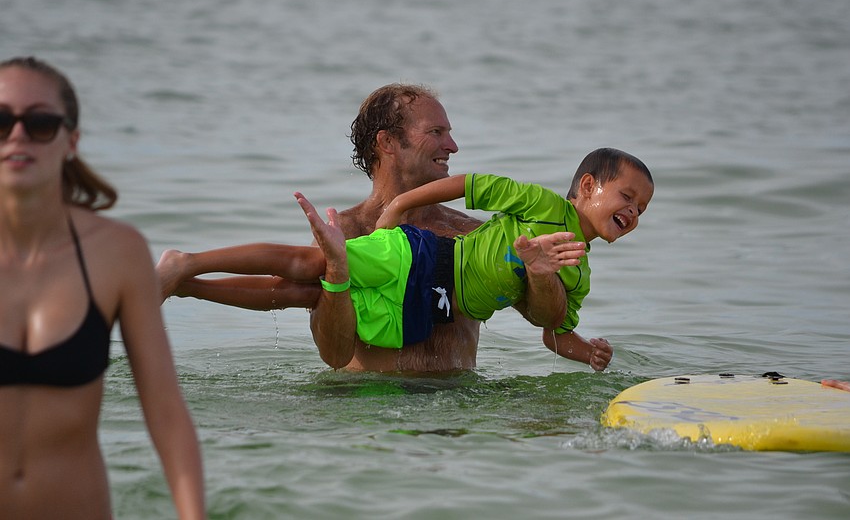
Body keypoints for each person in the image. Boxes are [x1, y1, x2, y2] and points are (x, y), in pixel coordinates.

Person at [158, 84, 613, 371]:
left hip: (455, 412)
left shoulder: (472, 235)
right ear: (387, 142)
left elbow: (543, 318)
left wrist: (541, 272)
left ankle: (186, 281)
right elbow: (335, 356)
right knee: (304, 281)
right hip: (366, 410)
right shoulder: (349, 232)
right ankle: (187, 276)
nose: (452, 145)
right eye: (436, 132)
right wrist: (336, 276)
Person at [0, 57, 205, 519]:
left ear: (71, 140)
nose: (16, 136)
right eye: (1, 121)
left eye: (39, 123)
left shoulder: (116, 253)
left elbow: (167, 413)